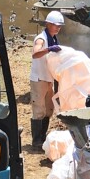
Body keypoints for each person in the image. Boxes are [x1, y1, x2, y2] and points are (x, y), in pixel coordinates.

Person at [30, 10, 64, 149]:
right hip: (39, 79)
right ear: (48, 24)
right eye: (55, 25)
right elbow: (35, 54)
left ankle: (43, 137)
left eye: (60, 26)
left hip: (48, 78)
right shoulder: (41, 39)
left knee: (48, 110)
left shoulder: (54, 38)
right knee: (39, 110)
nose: (58, 28)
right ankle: (36, 141)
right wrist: (49, 49)